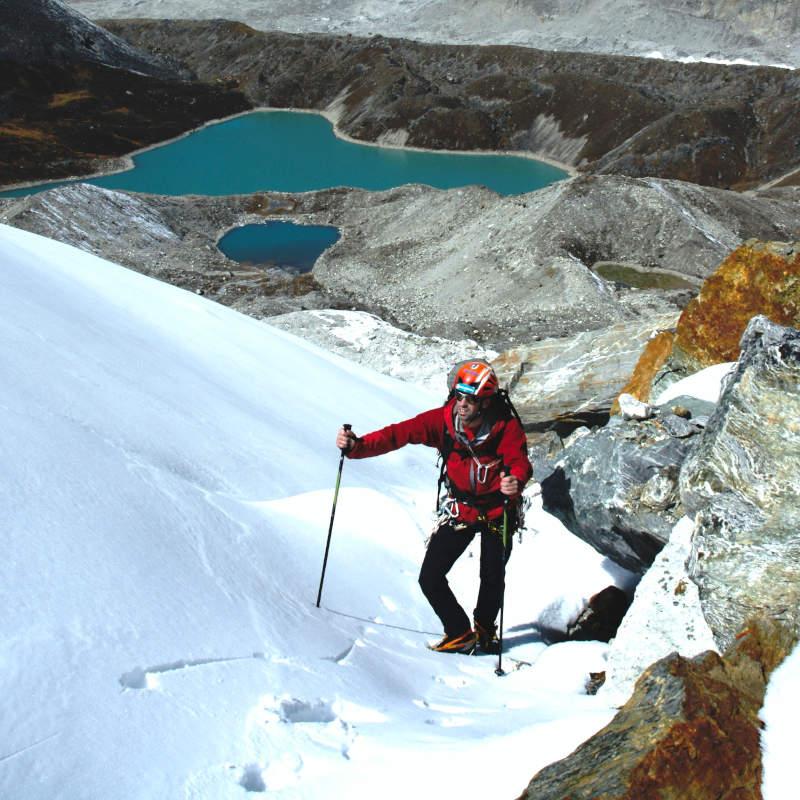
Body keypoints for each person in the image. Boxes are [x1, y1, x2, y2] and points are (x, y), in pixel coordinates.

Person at [335, 359, 533, 655]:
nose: (462, 404)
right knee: (430, 576)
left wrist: (515, 481)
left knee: (492, 576)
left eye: (470, 399)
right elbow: (397, 434)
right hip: (462, 509)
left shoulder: (505, 426)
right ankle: (459, 631)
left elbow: (519, 461)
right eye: (458, 396)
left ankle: (485, 630)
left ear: (486, 402)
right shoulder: (441, 422)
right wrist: (357, 446)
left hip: (497, 510)